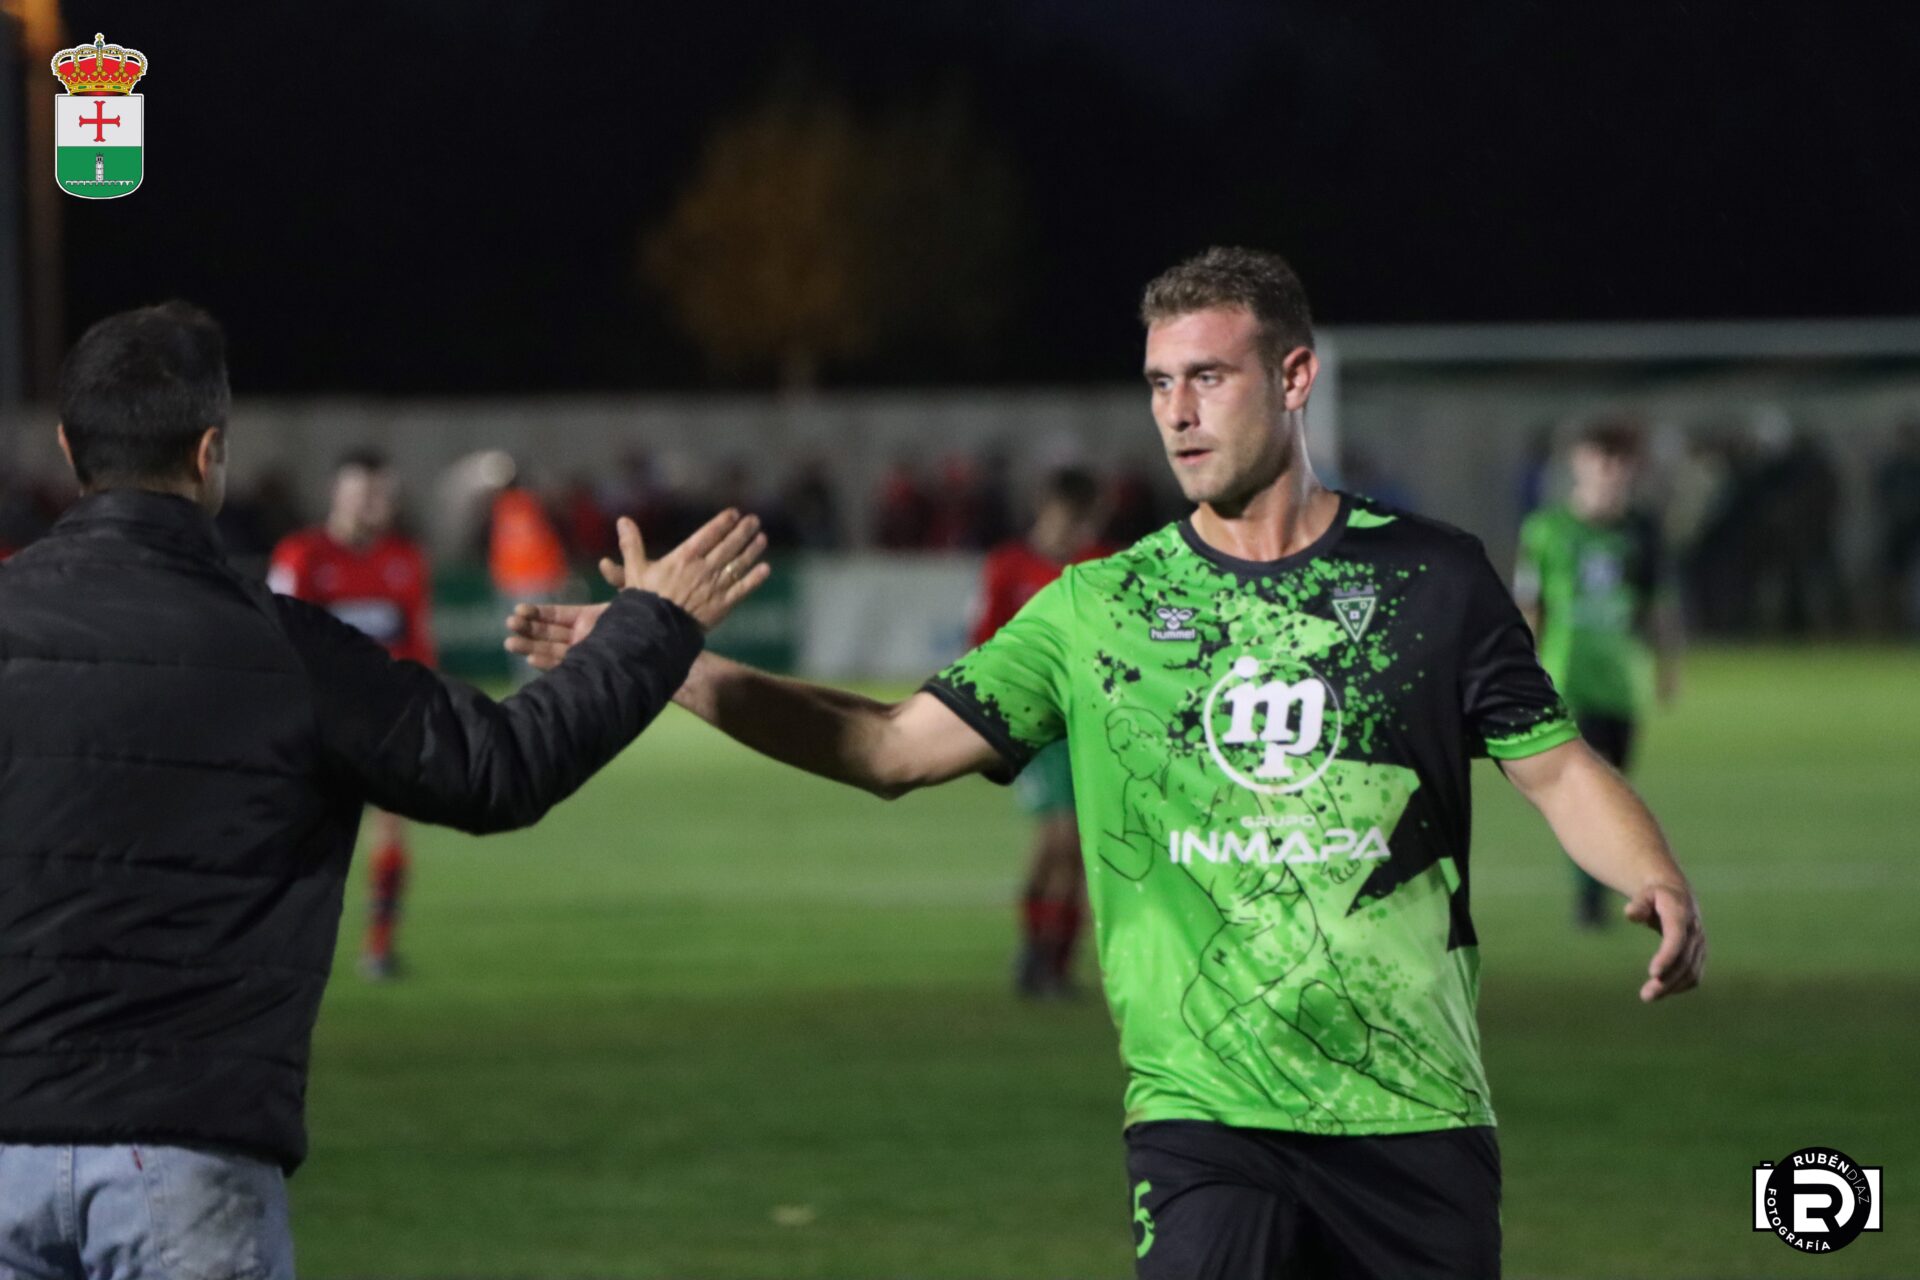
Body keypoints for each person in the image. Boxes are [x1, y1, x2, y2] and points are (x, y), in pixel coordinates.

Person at [510, 248, 1706, 1279]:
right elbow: (888, 746)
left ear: (1295, 378)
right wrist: (667, 662)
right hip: (1206, 1117)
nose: (1178, 411)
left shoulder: (1433, 579)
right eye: (1159, 383)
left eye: (1209, 376)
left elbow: (1554, 767)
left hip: (1416, 1109)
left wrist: (1649, 869)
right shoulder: (1101, 608)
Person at [0, 301, 768, 1277]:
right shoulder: (287, 650)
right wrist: (652, 625)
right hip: (185, 1160)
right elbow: (499, 766)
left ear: (69, 447)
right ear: (210, 452)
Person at [270, 449, 436, 978]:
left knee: (391, 831)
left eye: (382, 495)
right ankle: (281, 947)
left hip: (385, 721)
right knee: (300, 840)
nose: (373, 504)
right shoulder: (302, 555)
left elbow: (418, 644)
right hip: (315, 725)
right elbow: (278, 641)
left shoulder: (406, 559)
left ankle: (379, 948)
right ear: (336, 494)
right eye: (363, 493)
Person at [1514, 422, 1683, 929]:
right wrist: (1522, 670)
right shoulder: (1546, 530)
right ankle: (1589, 900)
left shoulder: (1641, 532)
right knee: (1587, 792)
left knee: (1616, 790)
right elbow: (1531, 606)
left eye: (1619, 462)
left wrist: (1667, 666)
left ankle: (1596, 894)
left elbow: (1657, 605)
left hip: (1621, 681)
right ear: (1579, 464)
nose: (1610, 472)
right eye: (1600, 460)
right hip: (1567, 679)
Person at [969, 466, 1111, 996]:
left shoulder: (1101, 566)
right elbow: (984, 641)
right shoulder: (1009, 566)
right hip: (1033, 725)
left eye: (1083, 521)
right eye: (1067, 518)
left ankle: (1056, 964)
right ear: (1044, 508)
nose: (1074, 530)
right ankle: (1035, 951)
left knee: (1079, 849)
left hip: (1088, 725)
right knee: (1059, 839)